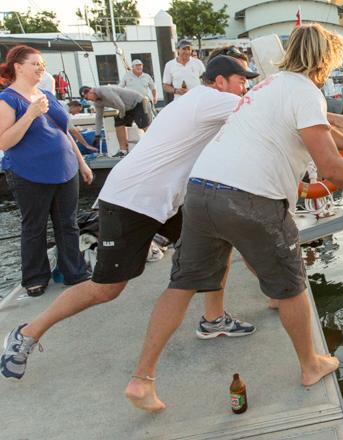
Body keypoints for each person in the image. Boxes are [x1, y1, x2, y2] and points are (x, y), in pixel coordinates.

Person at [124, 23, 343, 413]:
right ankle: (310, 364)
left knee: (182, 285)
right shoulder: (306, 91)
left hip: (202, 190)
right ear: (325, 60)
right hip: (250, 198)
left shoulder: (268, 86)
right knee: (291, 284)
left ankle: (142, 379)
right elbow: (331, 167)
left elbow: (310, 133)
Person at [0, 55, 259, 382]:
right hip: (131, 201)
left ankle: (214, 318)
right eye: (241, 80)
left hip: (167, 199)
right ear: (221, 82)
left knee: (217, 241)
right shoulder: (213, 99)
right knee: (106, 289)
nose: (244, 87)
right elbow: (264, 110)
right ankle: (26, 332)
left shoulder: (200, 100)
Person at [0, 45, 93, 299]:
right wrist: (29, 115)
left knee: (68, 223)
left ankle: (75, 271)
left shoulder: (46, 95)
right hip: (29, 173)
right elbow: (4, 141)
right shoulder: (8, 99)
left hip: (65, 169)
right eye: (35, 64)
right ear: (18, 67)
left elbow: (62, 131)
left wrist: (82, 162)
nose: (41, 68)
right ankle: (35, 278)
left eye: (42, 64)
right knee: (34, 227)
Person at [79, 84, 152, 157]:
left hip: (137, 102)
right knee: (118, 124)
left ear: (91, 91)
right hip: (126, 108)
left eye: (87, 98)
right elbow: (98, 118)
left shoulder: (104, 91)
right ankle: (124, 151)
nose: (89, 100)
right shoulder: (97, 103)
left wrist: (122, 116)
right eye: (86, 100)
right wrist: (97, 135)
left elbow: (120, 105)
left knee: (144, 125)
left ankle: (154, 144)